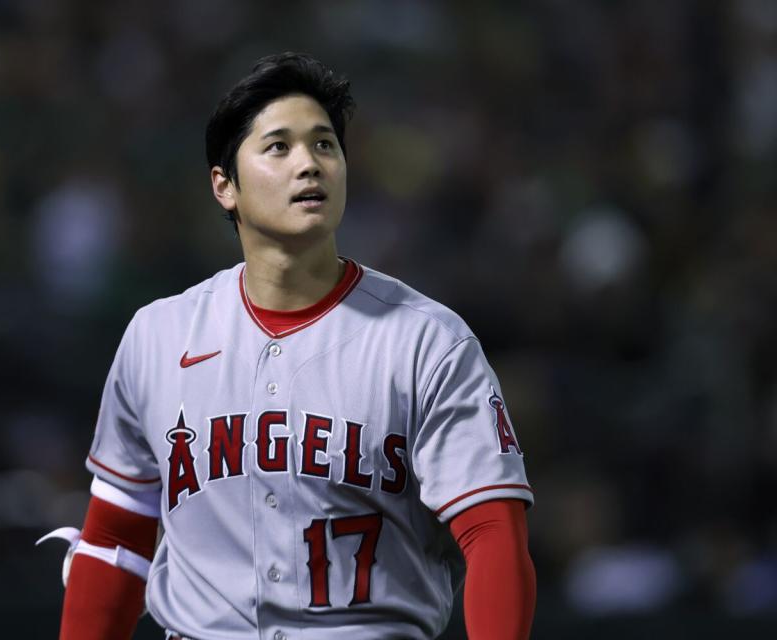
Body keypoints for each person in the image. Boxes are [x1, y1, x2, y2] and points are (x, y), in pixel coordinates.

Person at [40, 52, 536, 640]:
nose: (310, 164)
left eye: (325, 145)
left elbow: (493, 534)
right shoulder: (159, 336)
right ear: (225, 186)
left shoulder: (427, 340)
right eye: (279, 147)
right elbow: (118, 540)